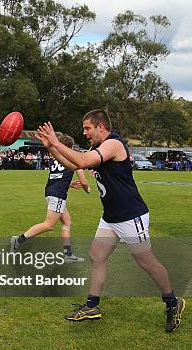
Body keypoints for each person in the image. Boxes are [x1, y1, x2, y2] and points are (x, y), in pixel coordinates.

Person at [35, 110, 185, 332]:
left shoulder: (113, 145)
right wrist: (51, 148)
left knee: (146, 262)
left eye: (87, 128)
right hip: (111, 217)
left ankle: (173, 302)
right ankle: (92, 306)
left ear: (101, 127)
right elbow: (75, 165)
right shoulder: (98, 148)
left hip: (130, 216)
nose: (84, 132)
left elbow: (83, 161)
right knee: (97, 255)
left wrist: (57, 142)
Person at [11, 134, 89, 262]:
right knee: (49, 225)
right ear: (68, 147)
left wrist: (69, 184)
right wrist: (87, 189)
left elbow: (57, 177)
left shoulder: (55, 158)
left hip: (50, 192)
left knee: (66, 222)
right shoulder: (72, 159)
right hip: (58, 195)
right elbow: (84, 182)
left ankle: (67, 254)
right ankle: (18, 240)